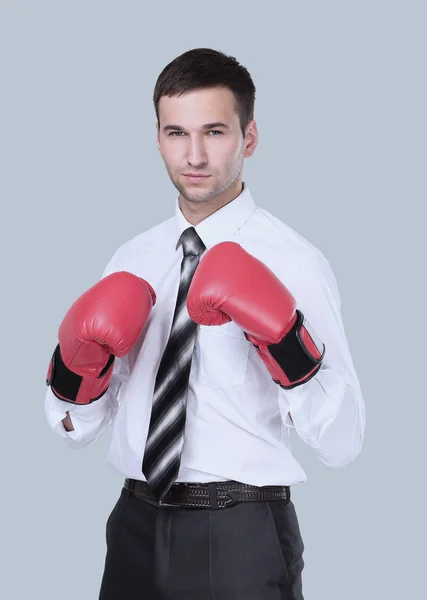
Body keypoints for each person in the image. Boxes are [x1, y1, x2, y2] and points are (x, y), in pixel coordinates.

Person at [44, 48, 366, 600]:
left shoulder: (293, 262)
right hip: (134, 523)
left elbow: (343, 442)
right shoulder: (131, 258)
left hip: (240, 528)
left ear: (250, 137)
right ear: (158, 137)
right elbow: (75, 428)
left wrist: (286, 342)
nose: (194, 155)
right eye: (177, 133)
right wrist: (78, 370)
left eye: (214, 131)